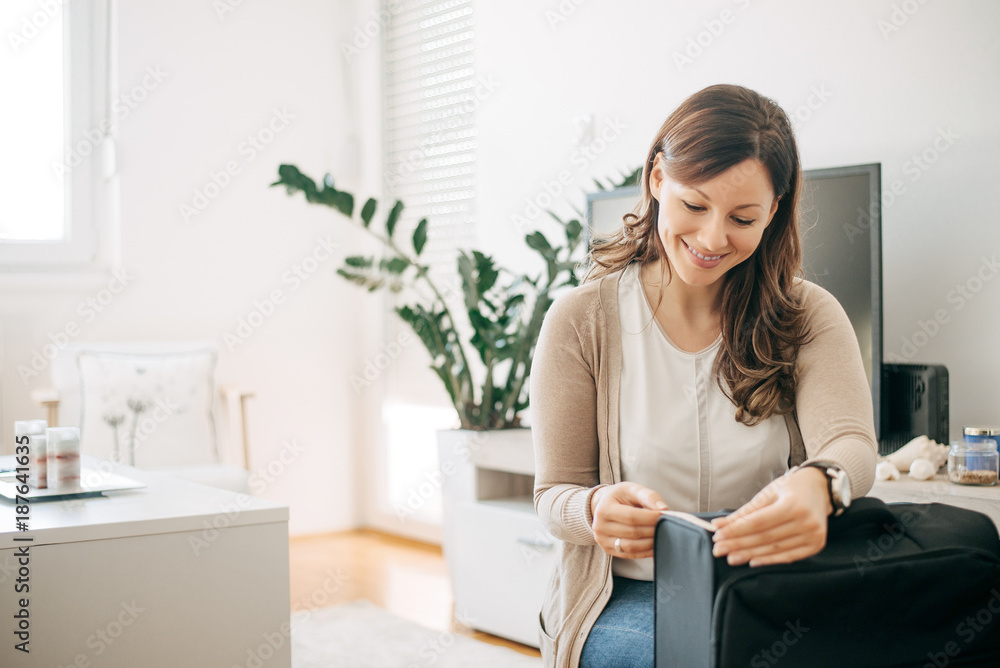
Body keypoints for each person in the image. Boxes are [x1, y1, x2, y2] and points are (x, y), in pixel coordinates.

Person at [529, 83, 878, 668]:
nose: (713, 239)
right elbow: (551, 494)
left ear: (774, 210)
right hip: (629, 594)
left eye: (742, 217)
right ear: (658, 180)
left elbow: (852, 445)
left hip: (772, 589)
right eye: (695, 206)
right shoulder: (580, 321)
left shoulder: (807, 314)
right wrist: (592, 510)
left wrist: (822, 481)